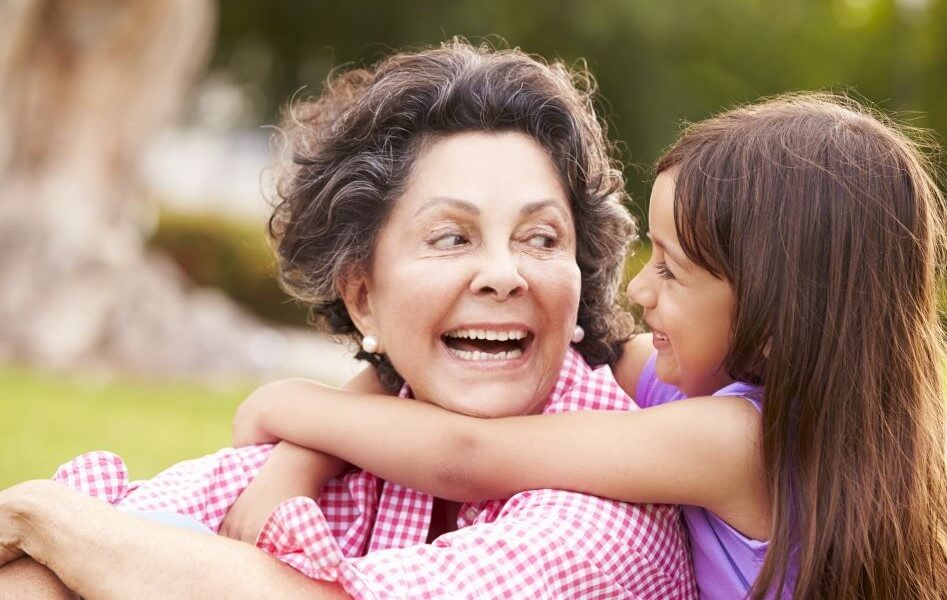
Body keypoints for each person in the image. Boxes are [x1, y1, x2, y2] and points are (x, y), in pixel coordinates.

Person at [0, 41, 696, 598]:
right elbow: (86, 553)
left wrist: (45, 518)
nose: (503, 274)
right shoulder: (344, 445)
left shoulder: (611, 514)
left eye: (541, 239)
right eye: (451, 237)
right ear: (363, 296)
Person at [227, 93, 947, 599]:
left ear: (777, 320)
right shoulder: (700, 389)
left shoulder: (737, 438)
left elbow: (471, 457)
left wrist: (290, 406)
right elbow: (424, 372)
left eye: (674, 272)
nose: (640, 293)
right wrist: (306, 453)